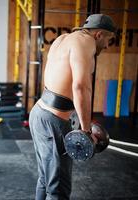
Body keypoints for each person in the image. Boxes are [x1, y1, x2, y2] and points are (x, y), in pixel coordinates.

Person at [29, 14, 116, 199]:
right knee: (58, 188)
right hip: (53, 122)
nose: (107, 46)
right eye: (109, 40)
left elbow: (61, 82)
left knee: (46, 180)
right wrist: (85, 131)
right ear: (99, 34)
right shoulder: (86, 42)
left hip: (39, 113)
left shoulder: (63, 39)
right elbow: (80, 87)